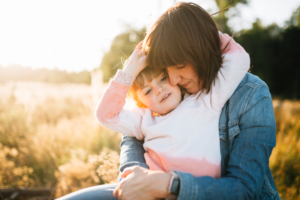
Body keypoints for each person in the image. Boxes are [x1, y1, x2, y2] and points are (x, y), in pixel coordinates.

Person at [57, 2, 280, 200]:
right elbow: (131, 137)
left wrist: (168, 184)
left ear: (201, 49)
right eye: (167, 70)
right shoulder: (162, 101)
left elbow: (243, 190)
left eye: (179, 66)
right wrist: (136, 179)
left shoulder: (244, 95)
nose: (172, 80)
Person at [95, 31, 249, 182]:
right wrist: (131, 69)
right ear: (141, 103)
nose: (159, 89)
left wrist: (202, 32)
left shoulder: (205, 99)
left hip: (201, 191)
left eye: (163, 78)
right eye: (148, 91)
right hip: (157, 193)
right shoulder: (144, 118)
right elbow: (106, 115)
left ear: (175, 78)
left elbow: (238, 58)